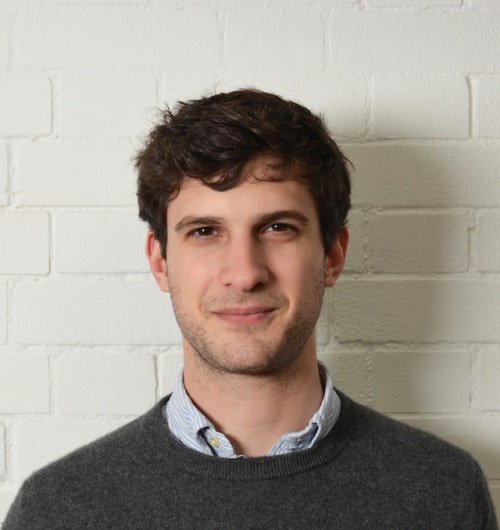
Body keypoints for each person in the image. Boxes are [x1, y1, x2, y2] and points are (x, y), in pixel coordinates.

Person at [4, 89, 497, 529]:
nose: (244, 273)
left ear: (332, 255)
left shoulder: (442, 492)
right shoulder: (58, 509)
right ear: (160, 262)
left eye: (278, 228)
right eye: (204, 231)